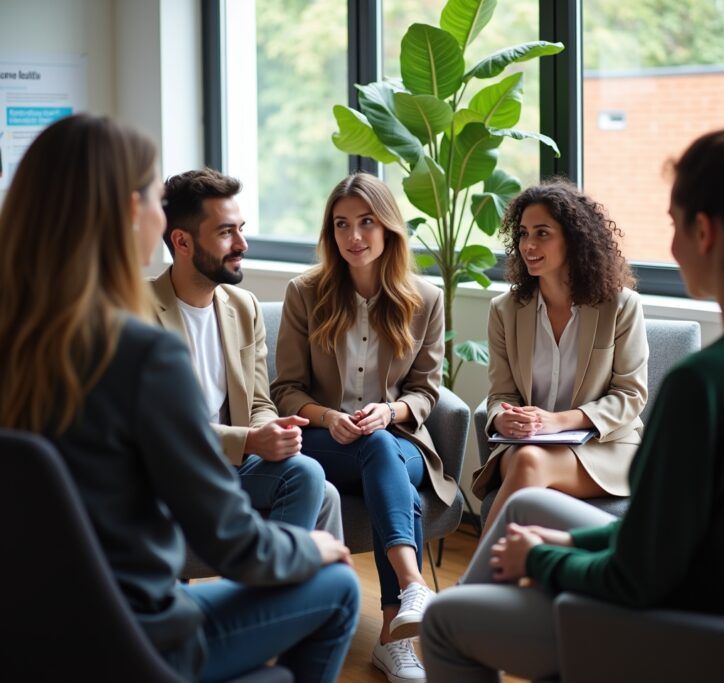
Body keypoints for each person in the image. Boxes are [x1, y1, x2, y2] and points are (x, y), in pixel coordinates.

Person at [421, 79, 724, 682]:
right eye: (524, 234)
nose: (671, 245)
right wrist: (561, 540)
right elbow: (666, 536)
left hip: (670, 620)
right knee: (527, 498)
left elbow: (638, 574)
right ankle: (483, 593)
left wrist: (543, 559)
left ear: (704, 232)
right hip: (711, 589)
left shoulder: (702, 384)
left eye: (674, 223)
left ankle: (464, 604)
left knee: (444, 623)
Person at [0, 113, 359, 683]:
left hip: (32, 639)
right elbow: (233, 542)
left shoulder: (20, 340)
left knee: (305, 477)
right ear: (131, 212)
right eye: (153, 197)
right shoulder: (136, 350)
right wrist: (312, 549)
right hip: (137, 642)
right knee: (338, 585)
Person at [270, 172, 454, 683]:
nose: (353, 236)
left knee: (380, 446)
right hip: (324, 442)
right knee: (393, 478)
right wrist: (328, 417)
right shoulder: (305, 293)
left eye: (366, 222)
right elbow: (286, 389)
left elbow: (426, 391)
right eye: (341, 224)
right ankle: (404, 611)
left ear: (388, 226)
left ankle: (400, 619)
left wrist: (388, 413)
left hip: (398, 442)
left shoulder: (425, 298)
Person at [150, 168, 343, 541]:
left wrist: (270, 430)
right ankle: (280, 572)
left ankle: (283, 576)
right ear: (182, 241)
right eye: (226, 232)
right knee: (311, 480)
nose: (242, 244)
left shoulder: (244, 307)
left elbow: (258, 402)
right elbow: (159, 427)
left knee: (319, 486)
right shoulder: (136, 310)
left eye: (241, 229)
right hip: (168, 471)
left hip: (229, 465)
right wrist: (249, 441)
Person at [471, 177, 648, 536]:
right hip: (526, 446)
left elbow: (630, 395)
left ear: (574, 238)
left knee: (528, 464)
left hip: (605, 449)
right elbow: (501, 394)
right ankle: (506, 567)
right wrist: (503, 419)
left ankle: (482, 568)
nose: (528, 245)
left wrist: (558, 421)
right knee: (527, 459)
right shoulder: (504, 310)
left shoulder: (620, 306)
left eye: (542, 233)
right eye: (523, 234)